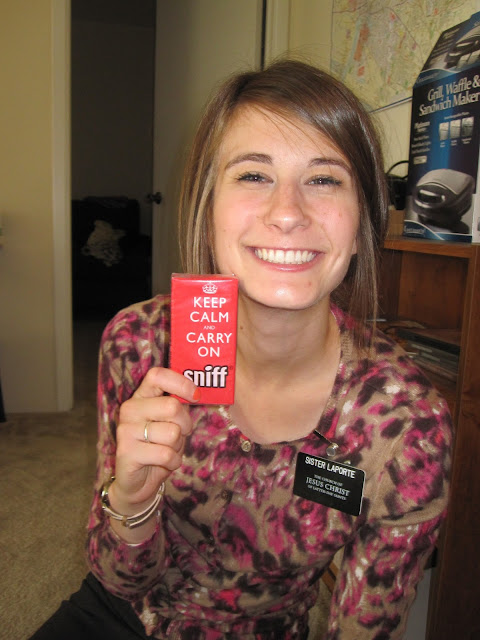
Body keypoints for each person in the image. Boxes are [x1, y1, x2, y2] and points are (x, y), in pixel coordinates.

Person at [31, 59, 452, 640]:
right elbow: (120, 578)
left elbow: (366, 626)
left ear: (361, 225)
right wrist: (131, 498)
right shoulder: (140, 342)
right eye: (254, 174)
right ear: (208, 212)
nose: (287, 213)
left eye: (324, 179)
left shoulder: (406, 424)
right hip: (124, 614)